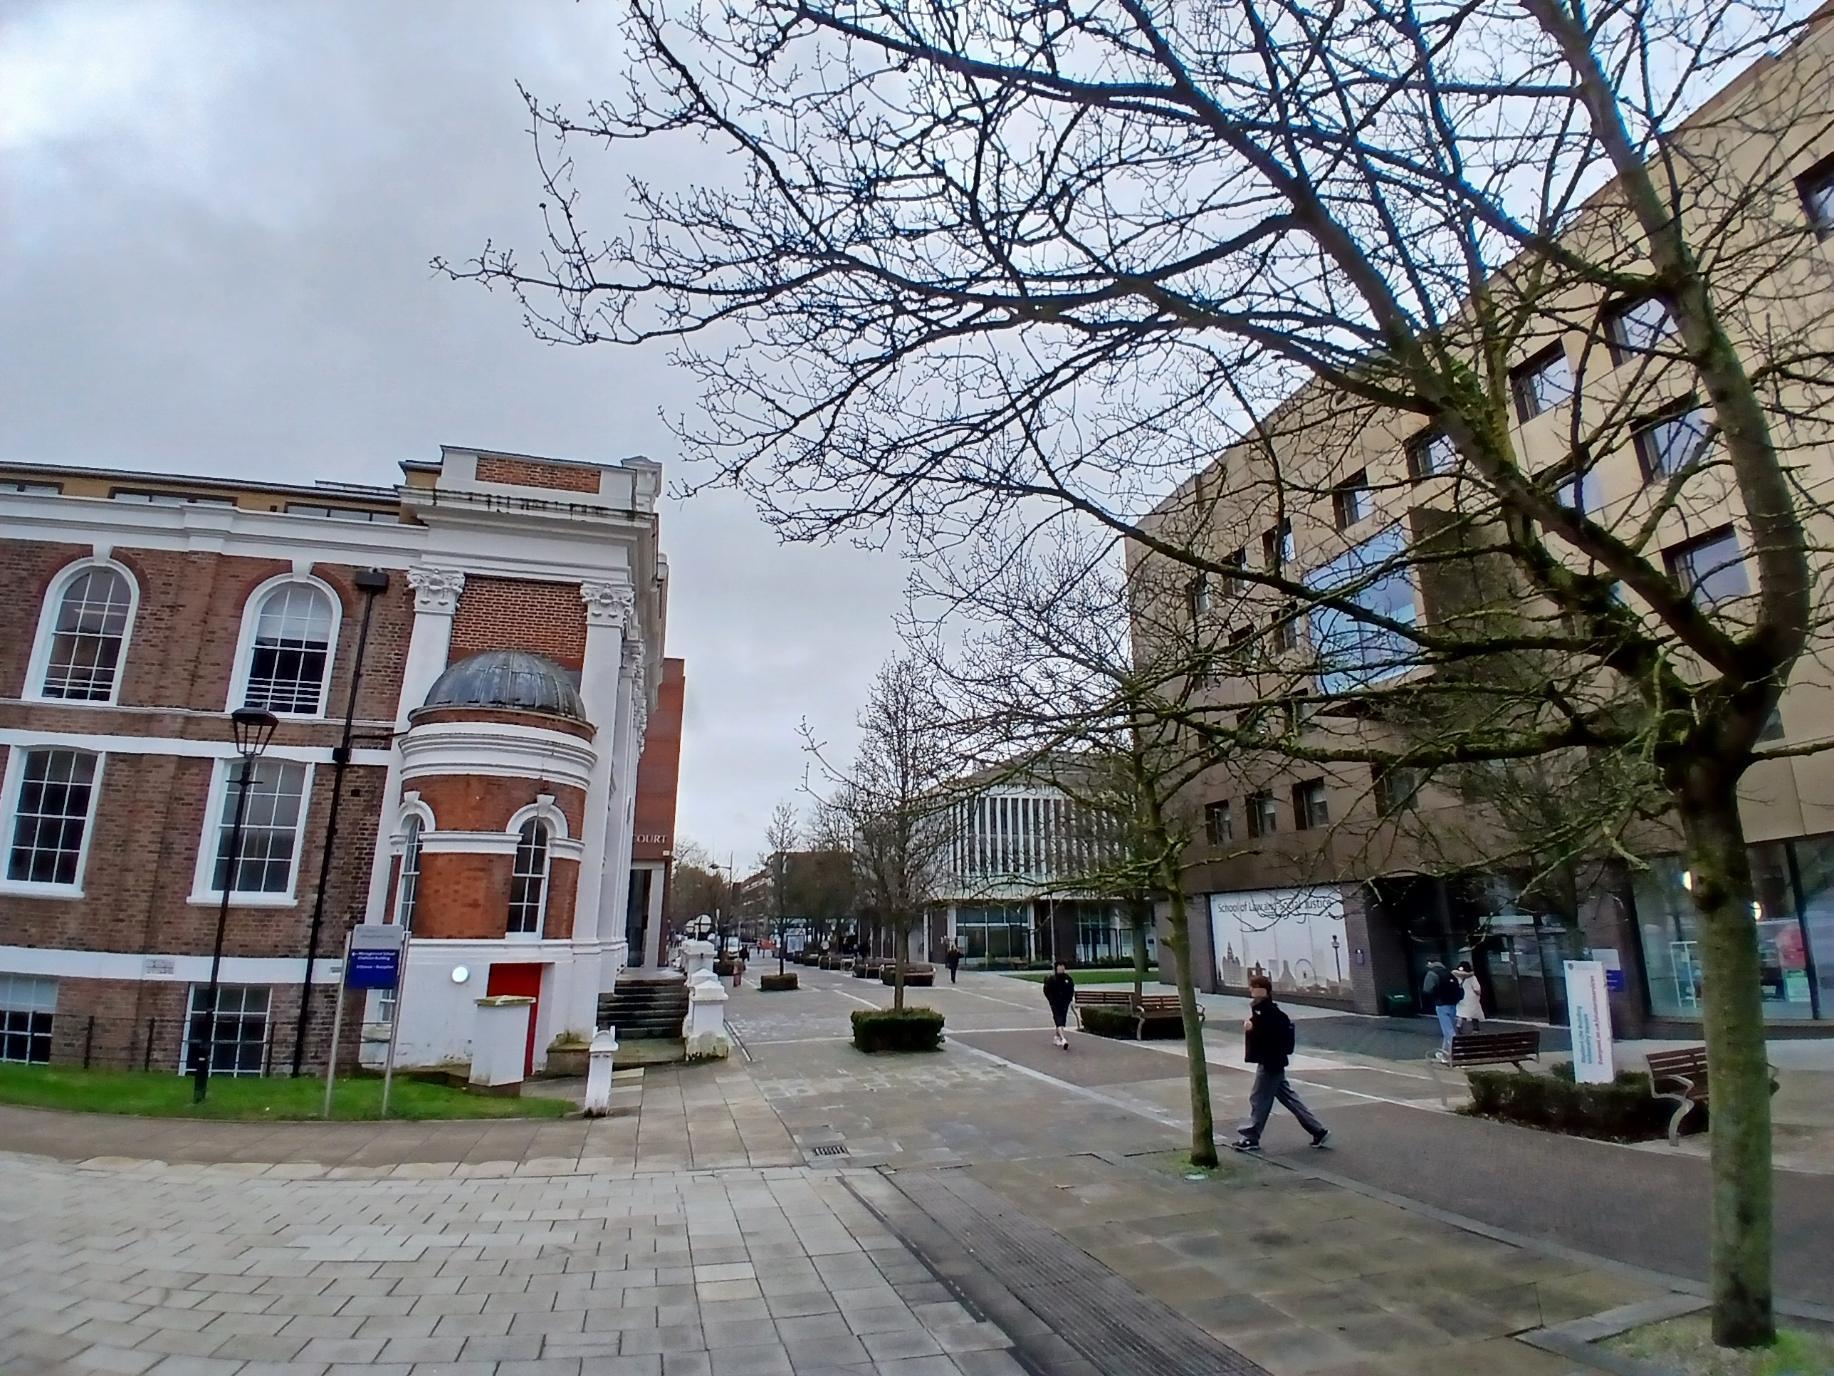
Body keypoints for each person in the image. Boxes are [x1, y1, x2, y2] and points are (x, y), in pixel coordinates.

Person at [1233, 973, 1329, 1152]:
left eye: (1253, 987)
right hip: (1275, 1061)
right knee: (1289, 1098)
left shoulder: (1265, 1012)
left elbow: (1267, 1036)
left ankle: (1251, 1136)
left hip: (1269, 1062)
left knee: (1259, 1098)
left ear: (1260, 990)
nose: (1251, 991)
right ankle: (1318, 1130)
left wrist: (1252, 1029)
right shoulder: (1267, 1011)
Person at [1424, 959, 1460, 1062]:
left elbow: (1427, 989)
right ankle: (1444, 1054)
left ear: (1430, 964)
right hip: (1453, 1004)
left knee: (1449, 1031)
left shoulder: (1432, 973)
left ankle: (1454, 1054)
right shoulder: (1448, 973)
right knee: (1449, 1028)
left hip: (1441, 1004)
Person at [1042, 962, 1075, 1050]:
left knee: (1062, 1021)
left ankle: (1057, 1037)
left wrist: (1069, 999)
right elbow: (1046, 990)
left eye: (1063, 967)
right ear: (1056, 969)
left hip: (1064, 1003)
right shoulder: (1052, 979)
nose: (1061, 969)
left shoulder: (1068, 979)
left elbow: (1071, 989)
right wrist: (1051, 1000)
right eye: (1060, 968)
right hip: (1055, 1003)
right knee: (1058, 1019)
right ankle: (1063, 1039)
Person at [1454, 961, 1485, 1032]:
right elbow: (1477, 989)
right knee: (1474, 1014)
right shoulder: (1472, 977)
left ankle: (1459, 1025)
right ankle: (1475, 1029)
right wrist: (1478, 993)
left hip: (1461, 997)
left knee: (1462, 1013)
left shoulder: (1456, 976)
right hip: (1471, 998)